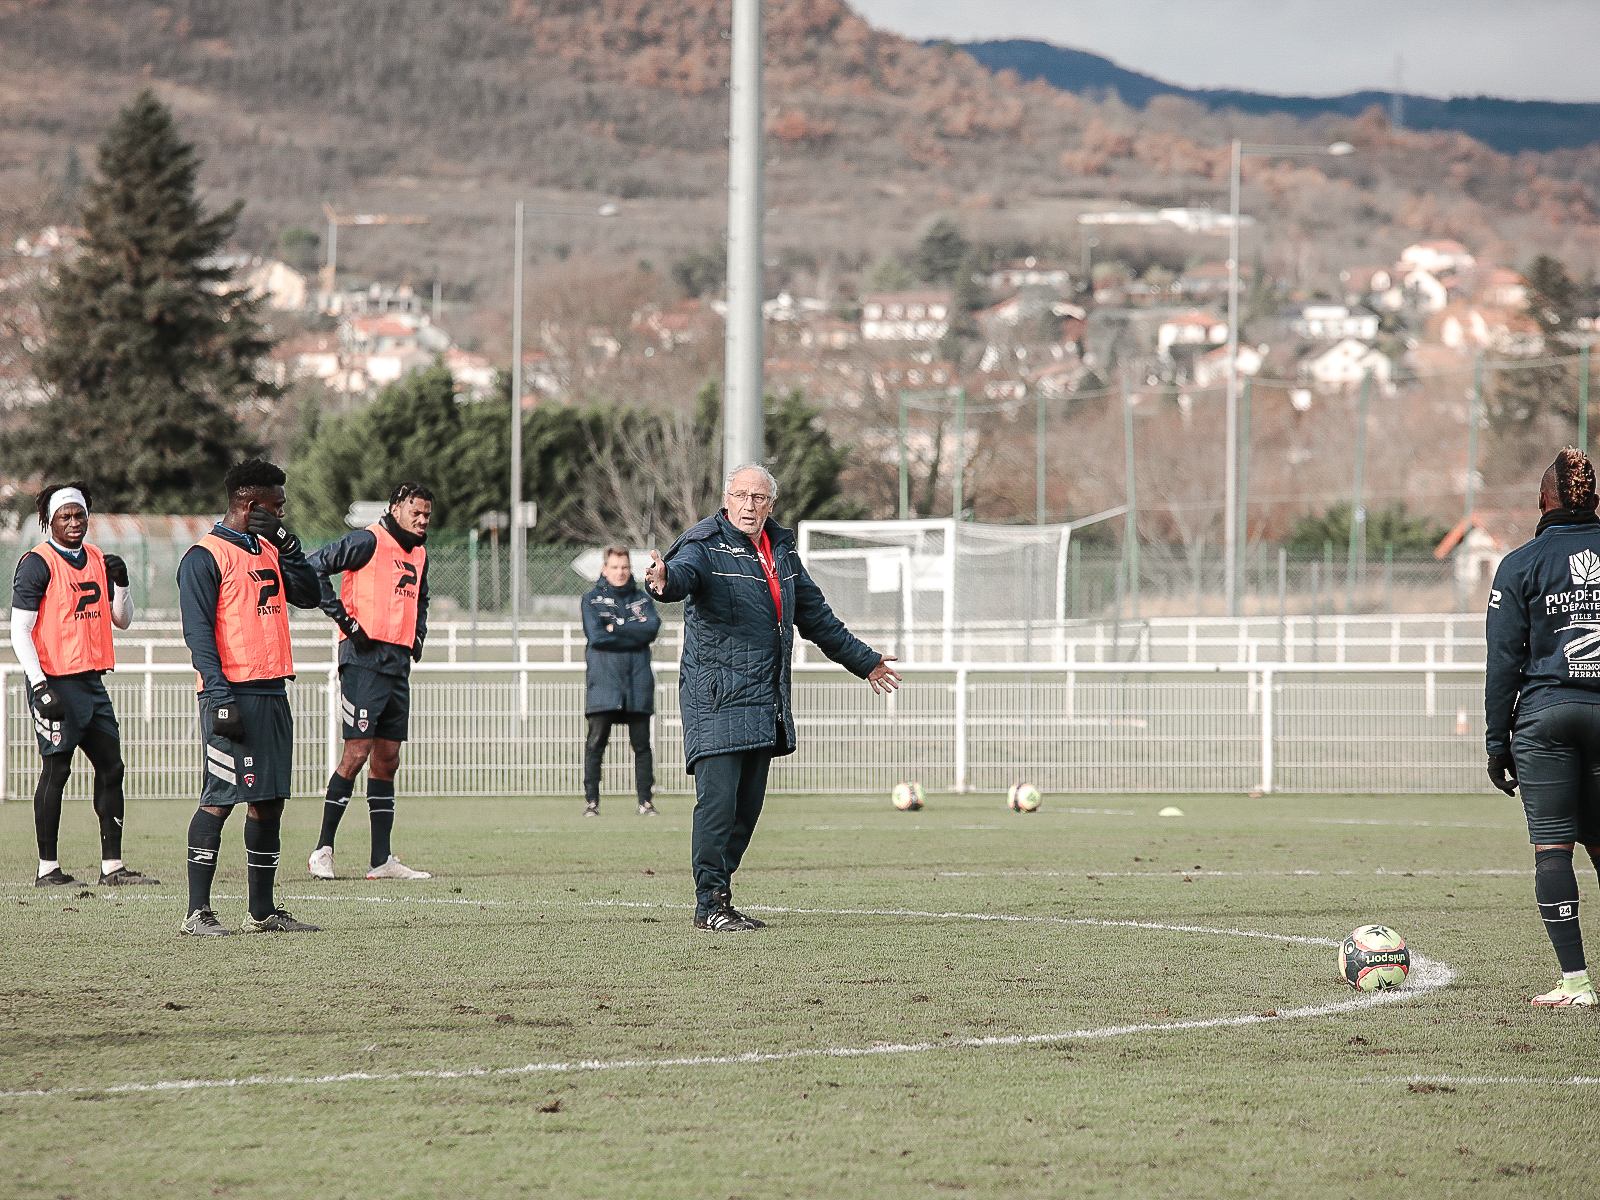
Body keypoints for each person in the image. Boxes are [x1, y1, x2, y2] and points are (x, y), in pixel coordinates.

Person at [645, 463, 901, 931]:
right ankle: (709, 906)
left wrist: (865, 661)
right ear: (726, 498)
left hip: (765, 701)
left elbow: (819, 620)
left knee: (746, 812)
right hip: (717, 698)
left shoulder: (781, 554)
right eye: (741, 495)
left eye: (758, 497)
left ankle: (720, 896)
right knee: (718, 805)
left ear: (771, 504)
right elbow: (680, 576)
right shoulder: (704, 544)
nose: (749, 504)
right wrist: (662, 581)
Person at [176, 459, 321, 935]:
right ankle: (198, 912)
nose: (283, 513)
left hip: (273, 690)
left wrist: (288, 545)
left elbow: (309, 594)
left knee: (269, 800)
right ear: (250, 503)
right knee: (220, 798)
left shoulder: (271, 547)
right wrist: (219, 695)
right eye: (277, 507)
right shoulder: (204, 557)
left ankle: (263, 911)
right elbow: (199, 635)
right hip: (231, 694)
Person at [1487, 446, 1600, 1006]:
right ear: (1595, 499)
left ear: (1542, 498)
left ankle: (1576, 984)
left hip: (1545, 718)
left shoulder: (1520, 564)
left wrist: (1495, 742)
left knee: (1553, 851)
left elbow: (1503, 662)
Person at [9, 482, 156, 888]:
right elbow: (19, 629)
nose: (74, 522)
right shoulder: (37, 563)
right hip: (55, 682)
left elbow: (121, 620)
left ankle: (113, 867)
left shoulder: (97, 558)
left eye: (80, 515)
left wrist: (122, 584)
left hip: (92, 681)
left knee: (112, 767)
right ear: (49, 521)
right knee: (57, 769)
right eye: (65, 516)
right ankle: (48, 869)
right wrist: (39, 686)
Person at [305, 482, 434, 879]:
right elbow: (312, 567)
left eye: (427, 514)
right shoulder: (367, 541)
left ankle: (381, 860)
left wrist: (417, 637)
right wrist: (346, 621)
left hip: (397, 665)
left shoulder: (421, 553)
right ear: (396, 507)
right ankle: (322, 850)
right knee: (357, 753)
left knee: (388, 760)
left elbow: (422, 598)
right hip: (363, 662)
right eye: (416, 511)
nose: (422, 519)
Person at [581, 544, 662, 817]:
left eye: (625, 567)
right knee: (595, 744)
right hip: (603, 685)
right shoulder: (591, 600)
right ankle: (592, 803)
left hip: (638, 684)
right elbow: (597, 637)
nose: (620, 572)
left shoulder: (643, 599)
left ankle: (645, 802)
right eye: (615, 567)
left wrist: (617, 626)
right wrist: (632, 631)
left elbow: (650, 629)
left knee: (642, 746)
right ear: (604, 569)